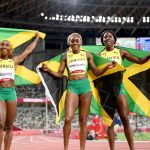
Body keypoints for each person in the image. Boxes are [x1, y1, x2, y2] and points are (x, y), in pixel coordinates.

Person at [41, 33, 116, 150]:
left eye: (77, 41)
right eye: (72, 41)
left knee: (83, 121)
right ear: (69, 43)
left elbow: (96, 72)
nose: (75, 43)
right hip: (72, 88)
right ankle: (65, 147)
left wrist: (107, 67)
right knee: (67, 119)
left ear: (81, 42)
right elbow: (60, 74)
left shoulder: (87, 55)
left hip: (85, 88)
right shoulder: (65, 56)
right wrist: (48, 70)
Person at [97, 30, 150, 150]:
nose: (107, 38)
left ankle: (132, 148)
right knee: (109, 122)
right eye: (105, 37)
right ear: (103, 41)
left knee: (125, 119)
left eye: (110, 36)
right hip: (105, 89)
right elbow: (96, 73)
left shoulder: (121, 52)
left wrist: (148, 56)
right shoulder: (99, 56)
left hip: (118, 87)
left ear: (114, 40)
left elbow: (140, 61)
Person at [0, 32, 40, 150]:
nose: (4, 46)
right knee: (0, 123)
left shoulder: (14, 61)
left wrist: (36, 39)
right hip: (0, 93)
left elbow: (27, 51)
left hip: (11, 93)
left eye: (7, 45)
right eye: (2, 44)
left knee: (9, 126)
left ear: (10, 49)